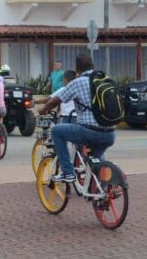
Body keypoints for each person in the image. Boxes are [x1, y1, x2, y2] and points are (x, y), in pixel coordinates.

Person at [37, 54, 116, 183]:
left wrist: (42, 110)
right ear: (93, 66)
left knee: (56, 131)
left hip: (89, 131)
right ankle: (106, 189)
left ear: (77, 69)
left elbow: (55, 101)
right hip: (110, 133)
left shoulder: (77, 82)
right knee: (95, 159)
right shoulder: (106, 80)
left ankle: (68, 173)